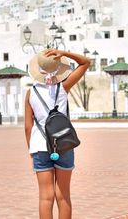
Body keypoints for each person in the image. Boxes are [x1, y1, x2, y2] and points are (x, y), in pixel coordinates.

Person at [25, 48, 90, 219]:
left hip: (40, 146)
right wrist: (64, 53)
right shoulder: (63, 87)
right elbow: (86, 62)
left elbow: (27, 126)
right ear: (58, 68)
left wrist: (31, 149)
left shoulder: (30, 93)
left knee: (45, 197)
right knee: (63, 196)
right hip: (63, 144)